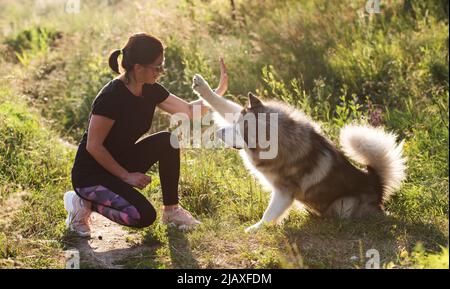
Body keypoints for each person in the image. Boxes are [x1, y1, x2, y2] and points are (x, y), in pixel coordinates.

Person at [64, 32, 228, 237]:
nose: (161, 71)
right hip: (91, 176)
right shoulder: (111, 97)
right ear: (138, 68)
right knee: (143, 217)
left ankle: (172, 211)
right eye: (157, 67)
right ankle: (82, 203)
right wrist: (127, 176)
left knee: (168, 141)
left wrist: (216, 94)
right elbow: (93, 146)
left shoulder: (150, 89)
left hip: (121, 162)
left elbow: (187, 110)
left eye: (162, 65)